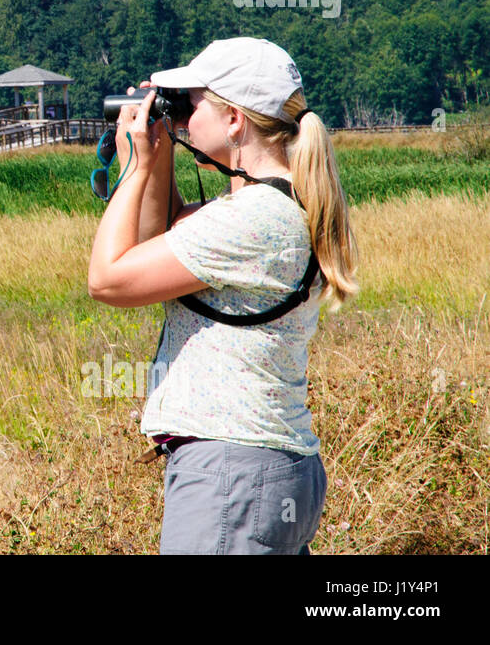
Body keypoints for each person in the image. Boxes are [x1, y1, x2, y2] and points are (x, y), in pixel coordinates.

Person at [86, 37, 358, 554]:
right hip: (262, 470)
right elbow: (155, 241)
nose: (184, 116)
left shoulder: (253, 220)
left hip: (232, 475)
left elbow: (109, 279)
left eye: (192, 103)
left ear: (234, 119)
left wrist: (139, 168)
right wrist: (158, 150)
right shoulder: (275, 205)